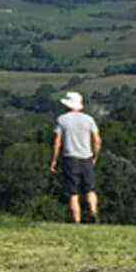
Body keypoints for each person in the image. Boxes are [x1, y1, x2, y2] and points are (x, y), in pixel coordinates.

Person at [49, 91, 101, 223]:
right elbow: (97, 140)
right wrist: (95, 156)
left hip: (70, 158)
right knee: (90, 189)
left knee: (73, 193)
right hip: (87, 158)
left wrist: (54, 160)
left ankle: (76, 221)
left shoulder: (62, 119)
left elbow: (57, 142)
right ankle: (93, 212)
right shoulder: (89, 119)